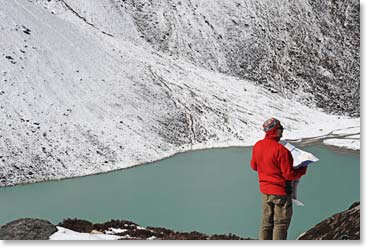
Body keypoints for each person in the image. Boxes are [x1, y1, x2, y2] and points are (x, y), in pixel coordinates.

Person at [250, 118, 307, 240]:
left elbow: (254, 166)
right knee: (280, 225)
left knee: (266, 224)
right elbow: (288, 175)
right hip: (281, 192)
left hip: (265, 191)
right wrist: (302, 170)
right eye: (281, 129)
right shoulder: (282, 151)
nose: (282, 131)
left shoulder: (258, 145)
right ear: (275, 131)